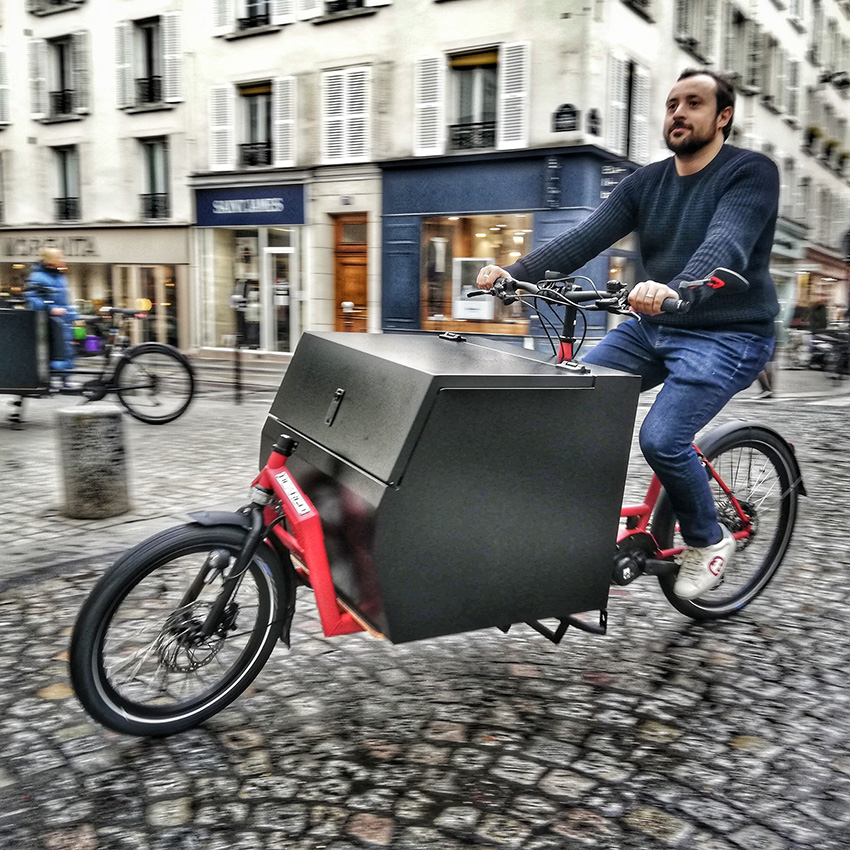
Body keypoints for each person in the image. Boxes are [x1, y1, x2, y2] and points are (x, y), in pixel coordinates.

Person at [477, 69, 778, 600]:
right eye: (671, 104)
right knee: (575, 397)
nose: (678, 113)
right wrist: (514, 275)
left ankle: (709, 541)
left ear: (723, 117)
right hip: (655, 326)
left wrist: (680, 287)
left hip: (729, 334)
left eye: (693, 103)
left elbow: (727, 242)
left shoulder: (751, 173)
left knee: (662, 438)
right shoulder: (648, 181)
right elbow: (584, 238)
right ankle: (573, 527)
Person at [25, 247, 79, 373]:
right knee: (54, 350)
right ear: (51, 260)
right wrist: (50, 309)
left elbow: (64, 301)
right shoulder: (37, 277)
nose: (63, 260)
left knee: (66, 349)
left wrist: (73, 314)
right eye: (60, 257)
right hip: (49, 322)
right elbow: (32, 299)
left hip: (63, 321)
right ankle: (54, 380)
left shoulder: (60, 277)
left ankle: (64, 379)